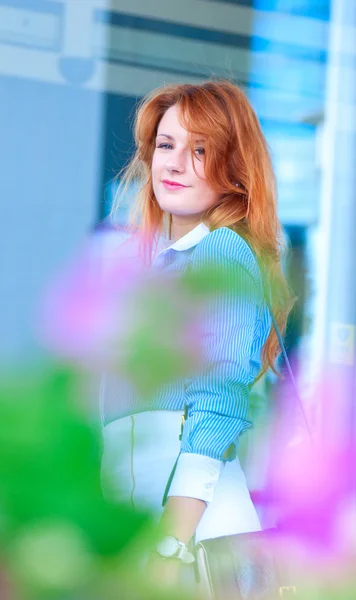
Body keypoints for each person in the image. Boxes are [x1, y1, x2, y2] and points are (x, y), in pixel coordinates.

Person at [99, 80, 293, 587]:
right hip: (153, 539)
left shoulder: (222, 252)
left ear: (232, 169)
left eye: (200, 150)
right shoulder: (156, 272)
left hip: (197, 547)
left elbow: (219, 406)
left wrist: (169, 545)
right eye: (167, 145)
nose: (175, 163)